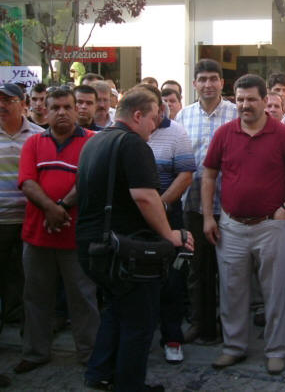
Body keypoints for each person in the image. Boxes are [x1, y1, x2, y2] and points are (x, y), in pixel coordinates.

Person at [77, 87, 194, 392]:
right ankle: (130, 385)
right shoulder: (132, 144)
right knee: (139, 322)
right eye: (154, 119)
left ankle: (100, 372)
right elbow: (145, 196)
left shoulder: (95, 140)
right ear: (138, 115)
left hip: (94, 245)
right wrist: (170, 234)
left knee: (116, 311)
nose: (155, 126)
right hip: (123, 250)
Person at [202, 74, 285, 375]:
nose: (244, 105)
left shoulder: (283, 134)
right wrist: (209, 216)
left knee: (274, 292)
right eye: (239, 99)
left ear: (265, 100)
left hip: (270, 227)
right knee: (232, 291)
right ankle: (233, 347)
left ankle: (275, 350)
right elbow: (209, 174)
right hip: (231, 226)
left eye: (251, 99)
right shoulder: (225, 133)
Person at [15, 87, 99, 374]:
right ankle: (35, 352)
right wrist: (51, 209)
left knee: (83, 298)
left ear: (77, 109)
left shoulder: (92, 142)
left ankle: (90, 354)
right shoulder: (33, 142)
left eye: (67, 107)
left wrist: (60, 206)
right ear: (45, 111)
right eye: (55, 108)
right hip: (37, 235)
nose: (61, 112)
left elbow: (89, 180)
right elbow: (27, 181)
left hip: (77, 237)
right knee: (36, 297)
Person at [176, 59, 237, 346]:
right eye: (202, 79)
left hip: (229, 205)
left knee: (229, 271)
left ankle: (228, 326)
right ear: (194, 84)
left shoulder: (236, 114)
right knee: (197, 270)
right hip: (193, 205)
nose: (208, 84)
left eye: (213, 78)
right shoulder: (183, 116)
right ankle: (199, 323)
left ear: (222, 83)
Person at [147, 89, 196, 364]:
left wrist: (159, 206)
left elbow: (186, 175)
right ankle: (139, 338)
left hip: (169, 215)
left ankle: (172, 338)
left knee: (172, 280)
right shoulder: (127, 133)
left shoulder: (176, 132)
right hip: (134, 219)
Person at [0, 83, 44, 386]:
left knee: (31, 287)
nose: (2, 105)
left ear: (23, 104)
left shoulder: (38, 136)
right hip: (0, 222)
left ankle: (32, 349)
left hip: (29, 222)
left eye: (9, 100)